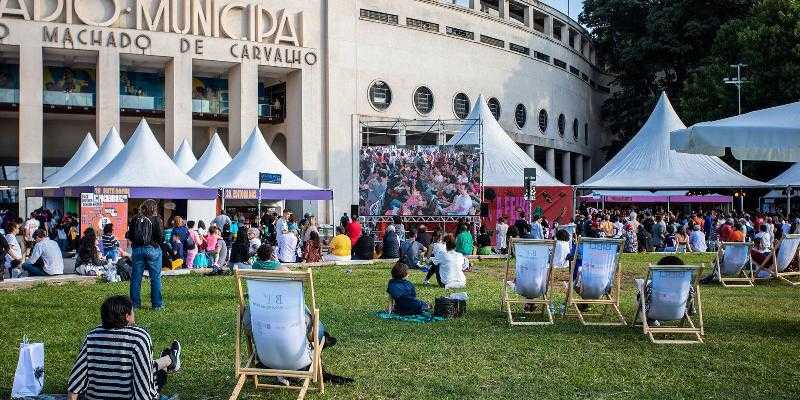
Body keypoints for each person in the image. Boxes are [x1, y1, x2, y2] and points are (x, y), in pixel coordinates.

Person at [67, 295, 181, 400]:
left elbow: (76, 380)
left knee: (145, 367)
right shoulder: (139, 338)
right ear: (127, 316)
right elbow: (143, 384)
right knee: (154, 372)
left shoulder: (92, 336)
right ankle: (169, 360)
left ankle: (169, 359)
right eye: (133, 312)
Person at [127, 199, 165, 310]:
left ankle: (134, 305)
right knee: (155, 278)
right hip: (153, 249)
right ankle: (157, 304)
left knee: (135, 278)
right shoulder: (157, 219)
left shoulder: (135, 219)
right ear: (154, 208)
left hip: (138, 250)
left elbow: (130, 235)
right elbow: (161, 237)